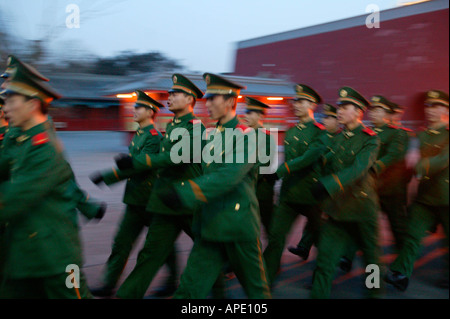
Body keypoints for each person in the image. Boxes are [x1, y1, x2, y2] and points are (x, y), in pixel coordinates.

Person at [159, 73, 271, 299]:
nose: (207, 103)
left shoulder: (248, 137)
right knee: (189, 290)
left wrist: (186, 192)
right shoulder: (211, 134)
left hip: (238, 227)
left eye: (213, 99)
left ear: (230, 101)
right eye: (207, 99)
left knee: (257, 293)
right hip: (209, 226)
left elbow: (229, 175)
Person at [113, 74, 224, 299]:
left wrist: (137, 162)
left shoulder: (195, 127)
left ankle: (220, 293)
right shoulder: (172, 125)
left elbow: (176, 157)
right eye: (170, 93)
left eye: (175, 94)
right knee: (150, 254)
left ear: (189, 98)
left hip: (188, 200)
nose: (169, 97)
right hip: (166, 200)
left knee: (207, 250)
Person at [0, 58, 92, 298]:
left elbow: (11, 200)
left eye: (10, 99)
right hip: (24, 255)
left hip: (55, 257)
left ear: (32, 104)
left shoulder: (45, 148)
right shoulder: (20, 139)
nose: (5, 106)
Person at [88, 90, 178, 297]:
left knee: (161, 245)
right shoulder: (139, 135)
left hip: (150, 200)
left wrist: (108, 175)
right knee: (121, 242)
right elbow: (131, 166)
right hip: (135, 200)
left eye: (138, 107)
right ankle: (109, 283)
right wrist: (109, 175)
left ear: (150, 111)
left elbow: (140, 166)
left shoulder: (154, 137)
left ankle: (172, 280)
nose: (133, 110)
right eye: (134, 106)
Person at [310, 87, 382, 299]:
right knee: (324, 261)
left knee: (372, 261)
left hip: (362, 210)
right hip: (337, 211)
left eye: (344, 107)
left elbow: (358, 169)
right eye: (339, 107)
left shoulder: (370, 139)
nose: (339, 111)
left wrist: (329, 184)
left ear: (359, 112)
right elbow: (326, 166)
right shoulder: (337, 138)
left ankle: (375, 295)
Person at [385, 90, 449, 291]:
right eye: (428, 106)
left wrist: (418, 165)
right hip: (425, 198)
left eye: (436, 106)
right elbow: (406, 163)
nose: (430, 110)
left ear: (446, 109)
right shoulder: (420, 135)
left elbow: (443, 160)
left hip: (447, 198)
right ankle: (401, 273)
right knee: (412, 235)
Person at [339, 96, 410, 273]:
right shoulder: (366, 133)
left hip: (391, 189)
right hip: (369, 189)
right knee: (359, 223)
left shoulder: (397, 133)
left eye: (379, 110)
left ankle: (401, 264)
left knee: (397, 227)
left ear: (387, 114)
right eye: (373, 110)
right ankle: (346, 257)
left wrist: (371, 168)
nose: (375, 113)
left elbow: (393, 155)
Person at [264, 84, 326, 285]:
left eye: (302, 101)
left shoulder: (320, 133)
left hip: (310, 196)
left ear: (313, 105)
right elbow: (289, 159)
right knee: (275, 238)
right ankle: (267, 278)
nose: (296, 105)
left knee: (321, 242)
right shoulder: (291, 132)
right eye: (296, 101)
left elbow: (308, 158)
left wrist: (280, 172)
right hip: (289, 195)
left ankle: (321, 279)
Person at [288, 103, 341, 260]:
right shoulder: (321, 135)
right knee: (315, 218)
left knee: (327, 224)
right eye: (324, 117)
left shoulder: (341, 139)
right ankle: (304, 247)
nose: (325, 120)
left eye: (329, 118)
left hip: (333, 186)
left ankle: (338, 255)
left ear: (338, 121)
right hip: (319, 185)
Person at [243, 97, 277, 237]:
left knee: (269, 226)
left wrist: (242, 175)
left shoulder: (266, 137)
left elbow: (264, 164)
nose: (246, 116)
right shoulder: (245, 135)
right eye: (246, 112)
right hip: (248, 189)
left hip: (261, 191)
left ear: (260, 115)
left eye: (250, 113)